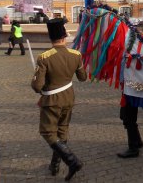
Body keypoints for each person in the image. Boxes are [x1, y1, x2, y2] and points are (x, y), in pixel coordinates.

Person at [31, 19, 87, 180]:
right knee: (62, 131)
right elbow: (83, 78)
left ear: (51, 38)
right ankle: (54, 165)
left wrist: (35, 81)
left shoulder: (44, 57)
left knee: (48, 132)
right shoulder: (76, 55)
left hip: (52, 101)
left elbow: (37, 86)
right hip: (69, 98)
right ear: (64, 36)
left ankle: (72, 161)